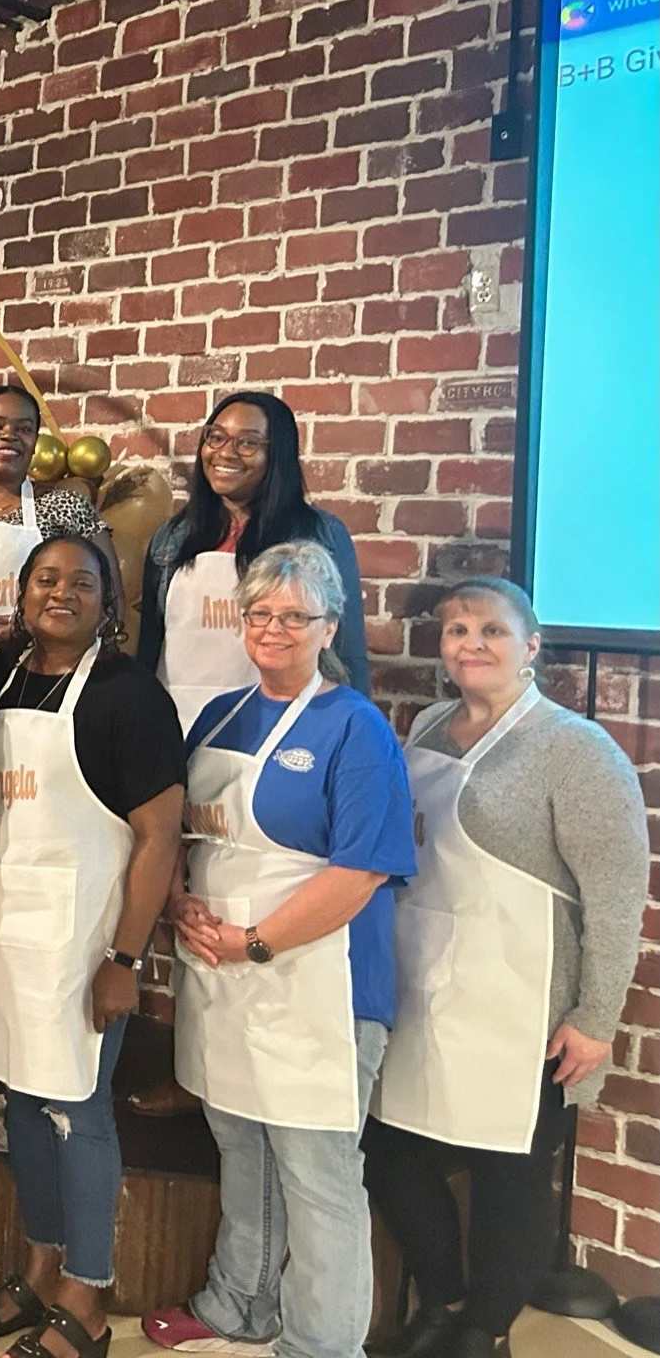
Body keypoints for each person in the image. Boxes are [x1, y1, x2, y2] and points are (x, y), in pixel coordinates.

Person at [145, 541, 415, 1358]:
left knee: (317, 1174)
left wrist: (253, 942)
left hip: (317, 985)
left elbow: (362, 871)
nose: (270, 630)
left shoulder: (355, 728)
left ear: (327, 626)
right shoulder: (222, 714)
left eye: (292, 617)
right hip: (224, 974)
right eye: (257, 614)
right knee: (241, 1145)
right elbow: (190, 833)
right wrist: (181, 901)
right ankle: (239, 1304)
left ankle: (320, 1346)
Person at [363, 578, 645, 1358]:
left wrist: (593, 1020)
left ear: (530, 646)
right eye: (455, 629)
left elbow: (617, 896)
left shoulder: (574, 749)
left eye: (490, 629)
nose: (469, 643)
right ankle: (442, 1300)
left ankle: (484, 1330)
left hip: (523, 1003)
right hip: (425, 984)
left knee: (508, 1179)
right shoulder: (424, 726)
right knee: (390, 1154)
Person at [0, 534, 186, 1357]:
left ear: (107, 602)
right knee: (20, 1104)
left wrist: (122, 962)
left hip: (81, 943)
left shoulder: (129, 697)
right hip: (7, 931)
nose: (61, 593)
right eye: (45, 579)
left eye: (81, 582)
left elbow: (159, 836)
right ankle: (40, 1268)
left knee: (78, 1113)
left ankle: (86, 1299)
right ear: (20, 594)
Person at [137, 391, 369, 733]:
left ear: (276, 456)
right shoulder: (171, 539)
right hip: (177, 729)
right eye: (215, 437)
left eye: (247, 443)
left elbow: (348, 654)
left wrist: (352, 733)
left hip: (284, 731)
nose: (225, 453)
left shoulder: (319, 535)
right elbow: (149, 648)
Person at [0, 386, 108, 672]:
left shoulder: (67, 508)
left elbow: (108, 604)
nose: (9, 435)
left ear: (35, 441)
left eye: (23, 429)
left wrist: (31, 634)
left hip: (37, 678)